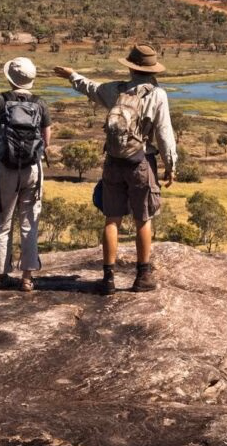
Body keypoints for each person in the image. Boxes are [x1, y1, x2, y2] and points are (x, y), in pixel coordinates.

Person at [54, 44, 177, 295]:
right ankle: (142, 277)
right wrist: (171, 165)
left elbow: (89, 88)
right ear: (152, 70)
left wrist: (71, 75)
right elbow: (165, 135)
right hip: (141, 162)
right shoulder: (157, 95)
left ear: (131, 67)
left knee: (112, 219)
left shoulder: (114, 90)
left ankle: (108, 279)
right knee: (143, 219)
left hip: (113, 162)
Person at [0, 57, 52, 292]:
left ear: (10, 78)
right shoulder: (40, 104)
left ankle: (1, 275)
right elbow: (47, 139)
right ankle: (27, 277)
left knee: (2, 221)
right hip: (32, 169)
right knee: (29, 222)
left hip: (5, 167)